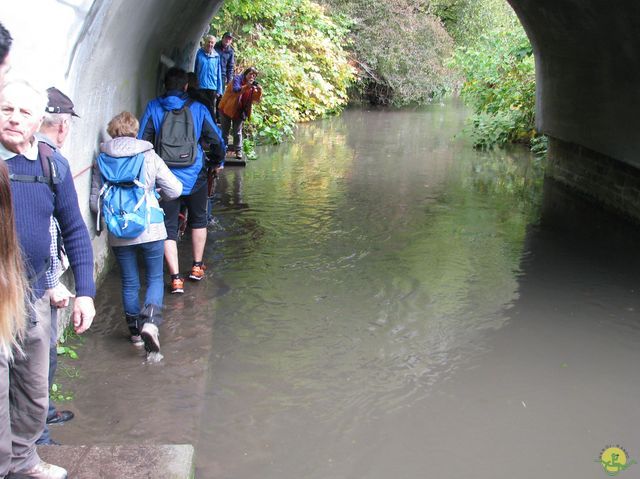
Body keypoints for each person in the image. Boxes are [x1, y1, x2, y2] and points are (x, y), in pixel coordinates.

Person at [0, 79, 96, 478]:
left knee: (35, 394)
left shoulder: (50, 164)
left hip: (35, 295)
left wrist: (85, 293)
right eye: (7, 109)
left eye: (24, 112)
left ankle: (23, 461)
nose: (14, 118)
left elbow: (73, 228)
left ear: (39, 120)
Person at [91, 112, 182, 353]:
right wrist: (155, 195)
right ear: (135, 131)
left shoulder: (102, 159)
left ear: (112, 131)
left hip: (119, 230)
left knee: (129, 281)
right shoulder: (149, 156)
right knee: (153, 277)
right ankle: (150, 323)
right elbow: (174, 189)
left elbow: (94, 202)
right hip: (150, 226)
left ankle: (134, 333)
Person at [139, 67, 225, 294]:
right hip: (194, 175)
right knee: (198, 221)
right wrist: (217, 160)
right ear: (186, 86)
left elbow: (142, 141)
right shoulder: (198, 108)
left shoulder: (153, 107)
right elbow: (216, 139)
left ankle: (176, 278)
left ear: (165, 85)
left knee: (167, 228)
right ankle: (197, 267)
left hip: (165, 179)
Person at [35, 87, 79, 446]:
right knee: (39, 357)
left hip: (25, 278)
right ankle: (40, 437)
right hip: (35, 282)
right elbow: (54, 227)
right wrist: (53, 280)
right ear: (62, 126)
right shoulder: (51, 162)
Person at [219, 66, 263, 159]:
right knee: (225, 132)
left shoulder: (251, 86)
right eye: (251, 74)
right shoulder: (237, 79)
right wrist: (247, 86)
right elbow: (236, 91)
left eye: (254, 75)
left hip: (240, 111)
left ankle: (238, 151)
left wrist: (259, 91)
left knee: (237, 132)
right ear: (246, 74)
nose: (252, 77)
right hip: (226, 109)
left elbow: (256, 100)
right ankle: (222, 150)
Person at [194, 34, 224, 120]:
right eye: (208, 42)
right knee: (199, 107)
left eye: (212, 43)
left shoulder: (216, 56)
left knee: (210, 109)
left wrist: (219, 90)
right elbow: (194, 70)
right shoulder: (199, 54)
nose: (210, 44)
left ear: (214, 44)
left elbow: (218, 73)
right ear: (205, 42)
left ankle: (210, 128)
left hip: (212, 87)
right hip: (200, 86)